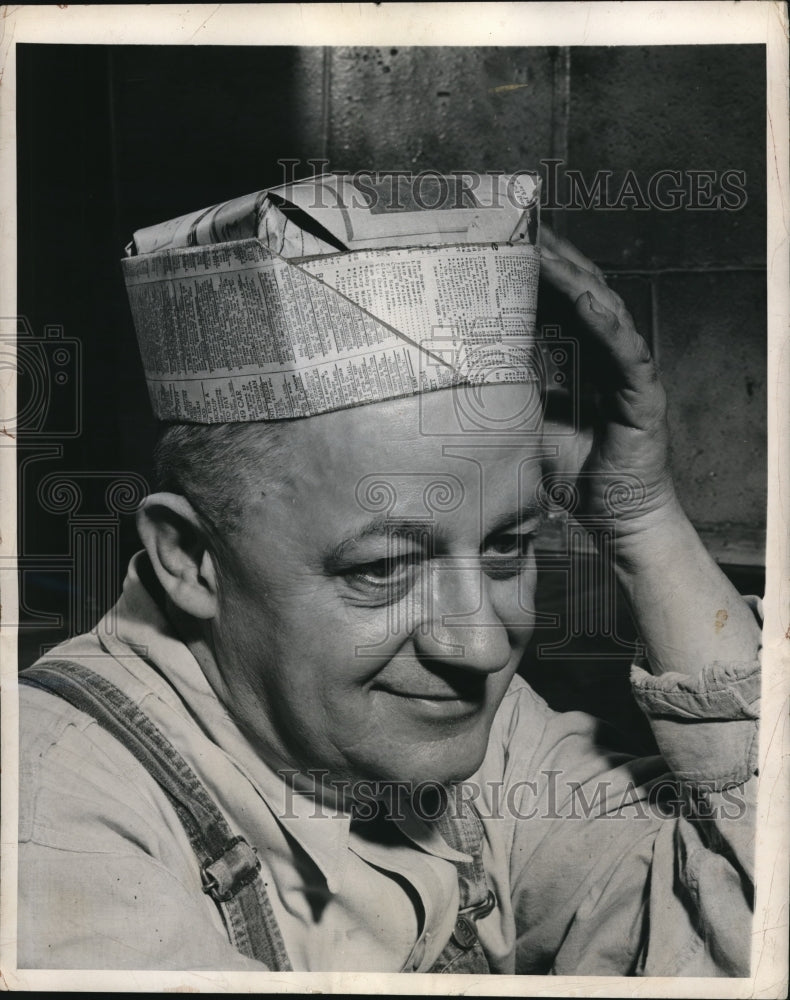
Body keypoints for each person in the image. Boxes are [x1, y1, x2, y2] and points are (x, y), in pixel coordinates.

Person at [17, 173, 761, 975]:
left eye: (508, 546)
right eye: (385, 567)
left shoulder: (476, 731)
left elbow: (748, 939)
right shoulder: (51, 813)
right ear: (190, 559)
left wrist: (644, 522)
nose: (481, 648)